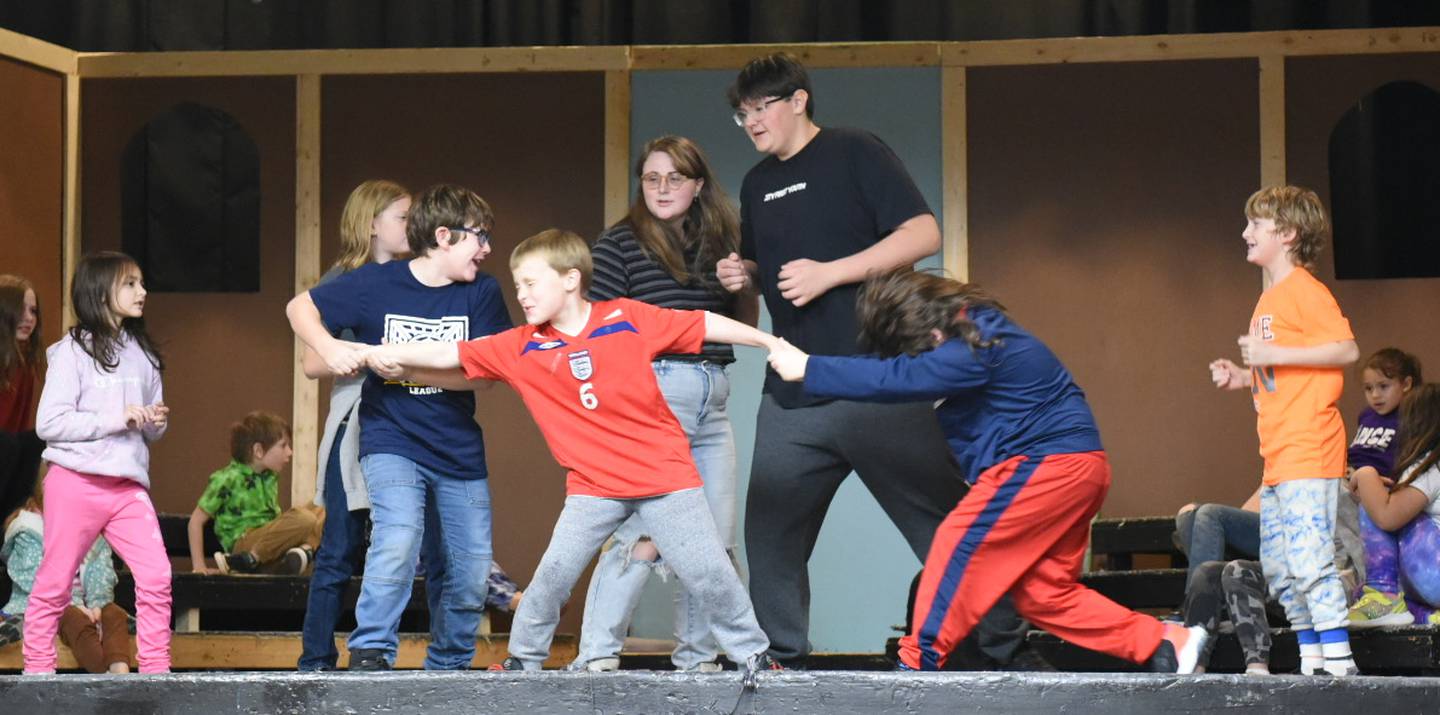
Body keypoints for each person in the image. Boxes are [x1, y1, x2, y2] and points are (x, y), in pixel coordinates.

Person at [363, 229, 781, 686]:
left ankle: (755, 654)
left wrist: (771, 344)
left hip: (664, 479)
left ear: (570, 279)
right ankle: (524, 658)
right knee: (553, 574)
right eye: (516, 285)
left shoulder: (625, 318)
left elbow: (702, 323)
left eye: (530, 283)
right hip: (594, 487)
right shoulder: (521, 345)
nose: (520, 294)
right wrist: (382, 354)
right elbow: (451, 352)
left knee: (708, 571)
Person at [717, 50, 1023, 667]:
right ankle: (778, 656)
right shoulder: (757, 183)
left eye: (761, 108)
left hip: (878, 379)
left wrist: (832, 273)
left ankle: (1004, 649)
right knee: (770, 530)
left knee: (941, 520)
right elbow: (766, 268)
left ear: (798, 100)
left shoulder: (855, 151)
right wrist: (742, 272)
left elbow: (922, 234)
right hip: (794, 391)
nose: (751, 122)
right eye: (741, 114)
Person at [768, 268, 1207, 673]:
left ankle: (919, 660)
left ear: (929, 322)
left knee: (958, 542)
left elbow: (898, 379)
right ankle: (1166, 643)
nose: (926, 353)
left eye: (922, 344)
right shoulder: (975, 334)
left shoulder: (977, 337)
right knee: (1043, 595)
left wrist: (809, 367)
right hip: (1076, 470)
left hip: (1044, 465)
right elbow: (903, 372)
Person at [286, 184, 511, 671]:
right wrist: (331, 348)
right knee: (397, 537)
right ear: (445, 237)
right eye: (481, 237)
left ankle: (448, 666)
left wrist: (407, 369)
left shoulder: (483, 292)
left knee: (470, 570)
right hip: (391, 440)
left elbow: (487, 375)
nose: (488, 249)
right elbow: (299, 308)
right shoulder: (376, 283)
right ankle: (371, 651)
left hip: (458, 452)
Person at [574, 135, 756, 673]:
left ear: (698, 184)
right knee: (647, 533)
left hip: (713, 392)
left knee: (715, 539)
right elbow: (598, 333)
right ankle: (596, 657)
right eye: (651, 178)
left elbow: (742, 329)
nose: (661, 188)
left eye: (675, 177)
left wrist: (742, 283)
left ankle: (698, 661)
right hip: (655, 392)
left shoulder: (719, 241)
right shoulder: (620, 243)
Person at [1209, 185, 1360, 676]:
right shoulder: (1270, 300)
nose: (1245, 232)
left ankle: (1340, 665)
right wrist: (1242, 376)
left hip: (1308, 451)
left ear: (1288, 233)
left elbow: (1345, 350)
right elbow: (1280, 373)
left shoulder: (1305, 292)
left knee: (1311, 561)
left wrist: (1276, 355)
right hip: (1278, 460)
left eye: (1256, 224)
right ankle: (1313, 659)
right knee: (1280, 569)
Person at [26, 251, 172, 674]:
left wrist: (155, 421)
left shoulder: (143, 353)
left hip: (128, 488)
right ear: (100, 292)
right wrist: (119, 416)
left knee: (157, 576)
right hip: (75, 481)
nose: (142, 292)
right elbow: (48, 423)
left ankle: (157, 674)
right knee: (55, 583)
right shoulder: (71, 352)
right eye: (130, 284)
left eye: (141, 283)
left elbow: (150, 430)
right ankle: (37, 675)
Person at [2, 479, 132, 673]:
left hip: (87, 605)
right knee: (73, 617)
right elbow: (38, 580)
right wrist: (74, 604)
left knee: (113, 613)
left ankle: (121, 675)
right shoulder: (28, 530)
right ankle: (102, 675)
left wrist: (98, 603)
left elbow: (101, 570)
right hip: (44, 605)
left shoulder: (91, 530)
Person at [187, 411, 323, 575]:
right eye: (283, 445)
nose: (289, 452)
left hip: (269, 544)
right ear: (258, 450)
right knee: (304, 518)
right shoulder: (227, 479)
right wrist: (199, 566)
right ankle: (249, 558)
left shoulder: (269, 477)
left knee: (323, 504)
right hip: (245, 543)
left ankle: (302, 552)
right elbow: (195, 521)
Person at [1350, 383, 1440, 628]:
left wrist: (1367, 475)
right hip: (1431, 581)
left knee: (1380, 504)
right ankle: (1427, 616)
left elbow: (1387, 517)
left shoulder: (1431, 466)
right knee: (1359, 594)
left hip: (1435, 575)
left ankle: (1383, 593)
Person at [1345, 348, 1422, 627]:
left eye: (1383, 386)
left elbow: (1408, 458)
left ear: (1406, 384)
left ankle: (1379, 588)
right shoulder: (1366, 417)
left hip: (1383, 487)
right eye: (1368, 388)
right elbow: (1357, 453)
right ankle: (1353, 580)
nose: (1375, 395)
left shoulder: (1409, 417)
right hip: (1352, 480)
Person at [0, 274, 44, 518]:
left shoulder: (24, 364)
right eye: (20, 309)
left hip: (7, 453)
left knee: (34, 441)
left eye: (33, 311)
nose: (29, 318)